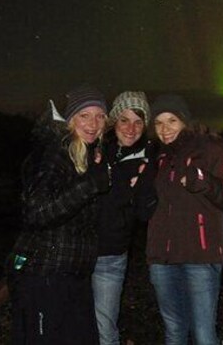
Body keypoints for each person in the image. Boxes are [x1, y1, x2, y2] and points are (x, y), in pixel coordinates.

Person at [9, 85, 112, 345]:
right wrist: (90, 185)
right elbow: (36, 212)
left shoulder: (86, 154)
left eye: (100, 116)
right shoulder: (55, 153)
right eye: (84, 115)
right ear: (70, 120)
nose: (93, 124)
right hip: (46, 275)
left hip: (74, 276)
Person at [146, 94, 223, 345]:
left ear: (184, 121)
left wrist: (202, 180)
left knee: (203, 335)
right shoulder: (159, 157)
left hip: (199, 257)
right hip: (162, 259)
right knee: (174, 331)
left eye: (172, 121)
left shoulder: (210, 149)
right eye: (158, 123)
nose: (165, 129)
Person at [92, 91, 158, 345]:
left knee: (105, 330)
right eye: (124, 120)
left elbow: (144, 213)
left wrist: (143, 185)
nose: (131, 128)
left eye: (138, 122)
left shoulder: (148, 160)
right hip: (76, 252)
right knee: (74, 324)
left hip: (110, 256)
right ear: (113, 122)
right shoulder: (95, 148)